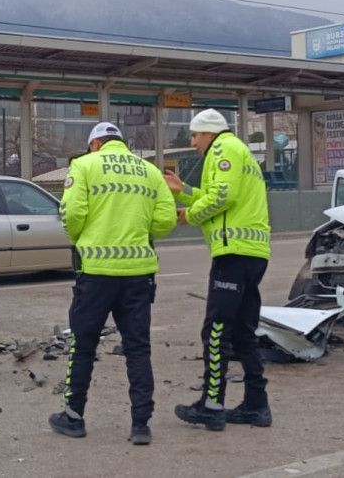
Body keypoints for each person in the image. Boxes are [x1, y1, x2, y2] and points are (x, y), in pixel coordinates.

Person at [49, 122, 177, 445]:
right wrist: (140, 233)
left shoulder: (84, 166)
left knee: (83, 345)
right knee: (138, 348)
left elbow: (72, 213)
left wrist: (81, 238)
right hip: (138, 274)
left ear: (95, 144)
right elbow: (165, 220)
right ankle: (141, 425)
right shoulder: (149, 171)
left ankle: (73, 417)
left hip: (95, 273)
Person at [162, 109, 272, 431]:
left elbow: (223, 197)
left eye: (196, 135)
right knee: (243, 333)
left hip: (233, 254)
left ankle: (212, 405)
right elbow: (218, 196)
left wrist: (189, 215)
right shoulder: (239, 151)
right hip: (252, 253)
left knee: (215, 330)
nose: (193, 141)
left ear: (209, 133)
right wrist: (184, 190)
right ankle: (256, 405)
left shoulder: (223, 148)